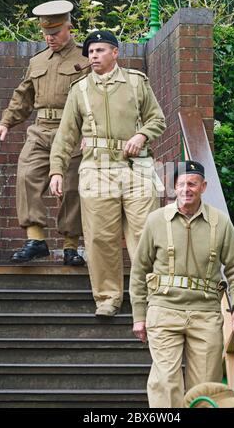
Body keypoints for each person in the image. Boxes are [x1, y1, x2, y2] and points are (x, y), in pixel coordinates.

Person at [49, 30, 166, 316]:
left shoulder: (137, 83)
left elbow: (158, 118)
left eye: (100, 50)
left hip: (136, 167)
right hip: (96, 169)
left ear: (115, 53)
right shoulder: (80, 89)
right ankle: (108, 298)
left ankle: (150, 298)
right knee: (101, 237)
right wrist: (57, 170)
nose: (94, 56)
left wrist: (141, 135)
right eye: (90, 51)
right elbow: (65, 135)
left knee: (145, 233)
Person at [130, 160, 234, 408]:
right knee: (166, 381)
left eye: (192, 184)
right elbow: (139, 271)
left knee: (205, 388)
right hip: (164, 310)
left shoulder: (220, 222)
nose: (186, 189)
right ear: (173, 188)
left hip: (206, 314)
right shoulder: (156, 220)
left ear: (203, 186)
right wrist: (139, 315)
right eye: (180, 184)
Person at [0, 0, 90, 265]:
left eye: (55, 32)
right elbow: (23, 96)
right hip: (41, 129)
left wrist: (91, 131)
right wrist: (5, 123)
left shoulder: (85, 58)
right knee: (26, 175)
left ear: (69, 27)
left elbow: (97, 98)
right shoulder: (37, 61)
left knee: (71, 187)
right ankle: (35, 239)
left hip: (72, 131)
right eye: (46, 33)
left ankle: (71, 246)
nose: (50, 37)